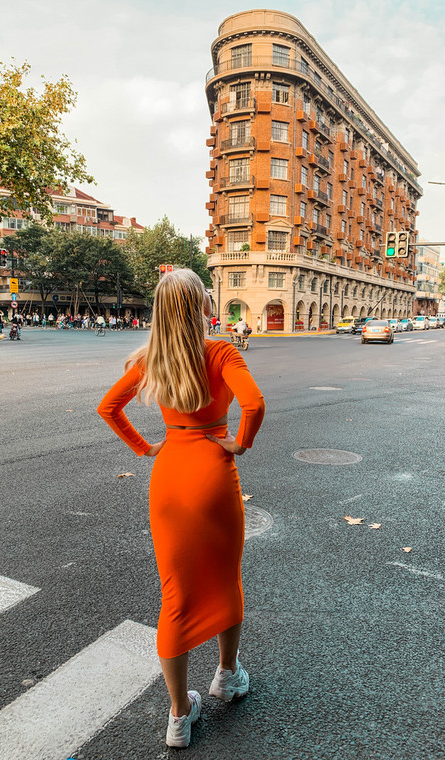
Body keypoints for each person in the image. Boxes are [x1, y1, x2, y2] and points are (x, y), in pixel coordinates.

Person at [97, 269, 265, 749]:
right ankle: (226, 676)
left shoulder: (153, 358)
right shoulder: (221, 351)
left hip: (169, 473)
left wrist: (145, 448)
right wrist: (239, 443)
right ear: (201, 306)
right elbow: (253, 404)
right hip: (213, 468)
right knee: (225, 576)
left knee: (175, 593)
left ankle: (178, 715)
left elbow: (109, 407)